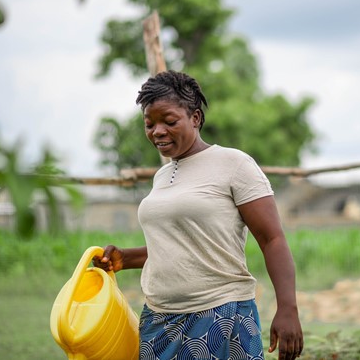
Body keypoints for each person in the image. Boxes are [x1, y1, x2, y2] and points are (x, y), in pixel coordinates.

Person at [93, 70, 303, 360]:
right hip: (159, 320)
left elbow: (272, 239)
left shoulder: (234, 164)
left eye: (169, 121)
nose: (157, 131)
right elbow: (179, 247)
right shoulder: (162, 175)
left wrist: (288, 308)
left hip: (220, 315)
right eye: (149, 124)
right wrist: (125, 259)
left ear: (195, 117)